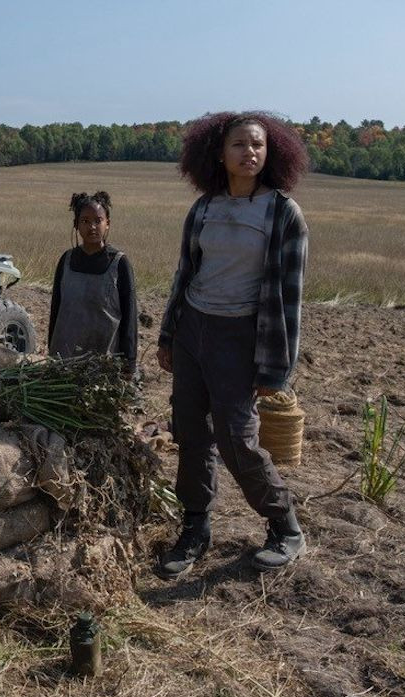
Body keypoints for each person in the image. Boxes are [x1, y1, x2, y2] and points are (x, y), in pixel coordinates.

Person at [154, 111, 310, 580]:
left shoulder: (283, 213)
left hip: (241, 336)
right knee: (190, 434)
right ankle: (196, 528)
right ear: (219, 154)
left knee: (238, 438)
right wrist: (168, 334)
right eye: (239, 145)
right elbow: (185, 274)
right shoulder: (204, 208)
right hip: (193, 330)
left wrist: (276, 371)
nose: (250, 153)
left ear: (271, 152)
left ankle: (284, 527)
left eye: (258, 145)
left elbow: (290, 298)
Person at [47, 191, 138, 375]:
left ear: (108, 224)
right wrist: (51, 354)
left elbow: (130, 317)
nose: (92, 227)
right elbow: (56, 310)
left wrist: (129, 364)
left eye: (98, 220)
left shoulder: (119, 264)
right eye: (85, 221)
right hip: (64, 361)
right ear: (76, 224)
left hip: (104, 365)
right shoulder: (66, 260)